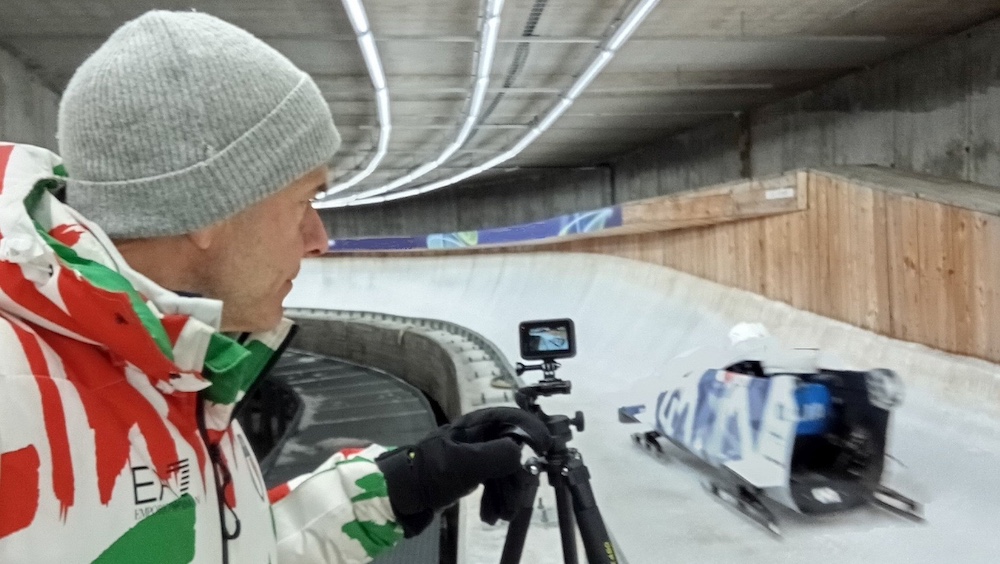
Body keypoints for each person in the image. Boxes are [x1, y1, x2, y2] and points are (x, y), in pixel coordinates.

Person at [0, 10, 551, 563]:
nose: (319, 239)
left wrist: (395, 489)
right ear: (207, 208)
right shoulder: (14, 404)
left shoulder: (174, 374)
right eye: (304, 200)